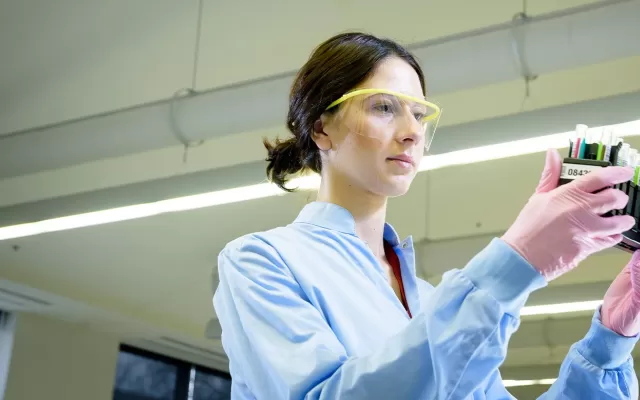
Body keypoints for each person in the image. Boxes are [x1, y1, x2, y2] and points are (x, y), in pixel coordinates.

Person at [212, 32, 640, 399]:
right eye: (384, 107)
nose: (413, 130)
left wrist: (610, 341)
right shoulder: (261, 262)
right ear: (321, 127)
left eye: (419, 113)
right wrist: (515, 264)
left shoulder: (433, 301)